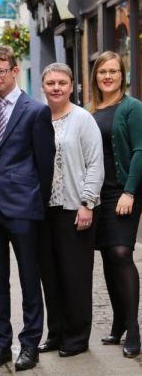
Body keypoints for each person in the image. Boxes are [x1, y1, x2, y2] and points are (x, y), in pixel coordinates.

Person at [0, 45, 55, 371]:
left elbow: (45, 163)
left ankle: (30, 344)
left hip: (24, 208)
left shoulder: (36, 111)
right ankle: (1, 345)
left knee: (28, 278)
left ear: (14, 69)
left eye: (1, 71)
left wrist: (37, 202)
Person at [38, 63, 104, 357]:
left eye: (61, 82)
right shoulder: (38, 119)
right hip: (44, 211)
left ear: (72, 85)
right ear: (43, 86)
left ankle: (76, 338)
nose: (56, 87)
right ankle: (57, 333)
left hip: (75, 208)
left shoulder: (83, 119)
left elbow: (95, 164)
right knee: (50, 275)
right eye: (51, 82)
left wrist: (87, 202)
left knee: (75, 275)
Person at [90, 51, 142, 358]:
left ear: (122, 75)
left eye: (113, 71)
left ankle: (134, 328)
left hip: (124, 192)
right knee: (108, 255)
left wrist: (130, 192)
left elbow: (140, 151)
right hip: (99, 195)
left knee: (122, 252)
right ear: (96, 77)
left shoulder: (132, 107)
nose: (108, 76)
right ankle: (119, 322)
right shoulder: (92, 111)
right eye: (102, 72)